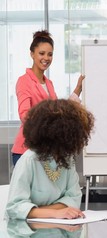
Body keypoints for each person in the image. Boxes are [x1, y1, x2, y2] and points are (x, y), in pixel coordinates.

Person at [6, 99, 94, 220]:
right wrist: (56, 212)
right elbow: (15, 208)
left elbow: (74, 198)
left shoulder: (66, 159)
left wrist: (38, 210)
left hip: (59, 230)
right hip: (28, 234)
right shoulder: (29, 160)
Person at [12, 30, 85, 166]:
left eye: (50, 54)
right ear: (32, 54)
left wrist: (78, 89)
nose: (46, 58)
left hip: (45, 150)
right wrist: (49, 122)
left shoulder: (49, 84)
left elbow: (59, 112)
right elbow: (24, 115)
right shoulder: (24, 81)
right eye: (41, 53)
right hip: (26, 151)